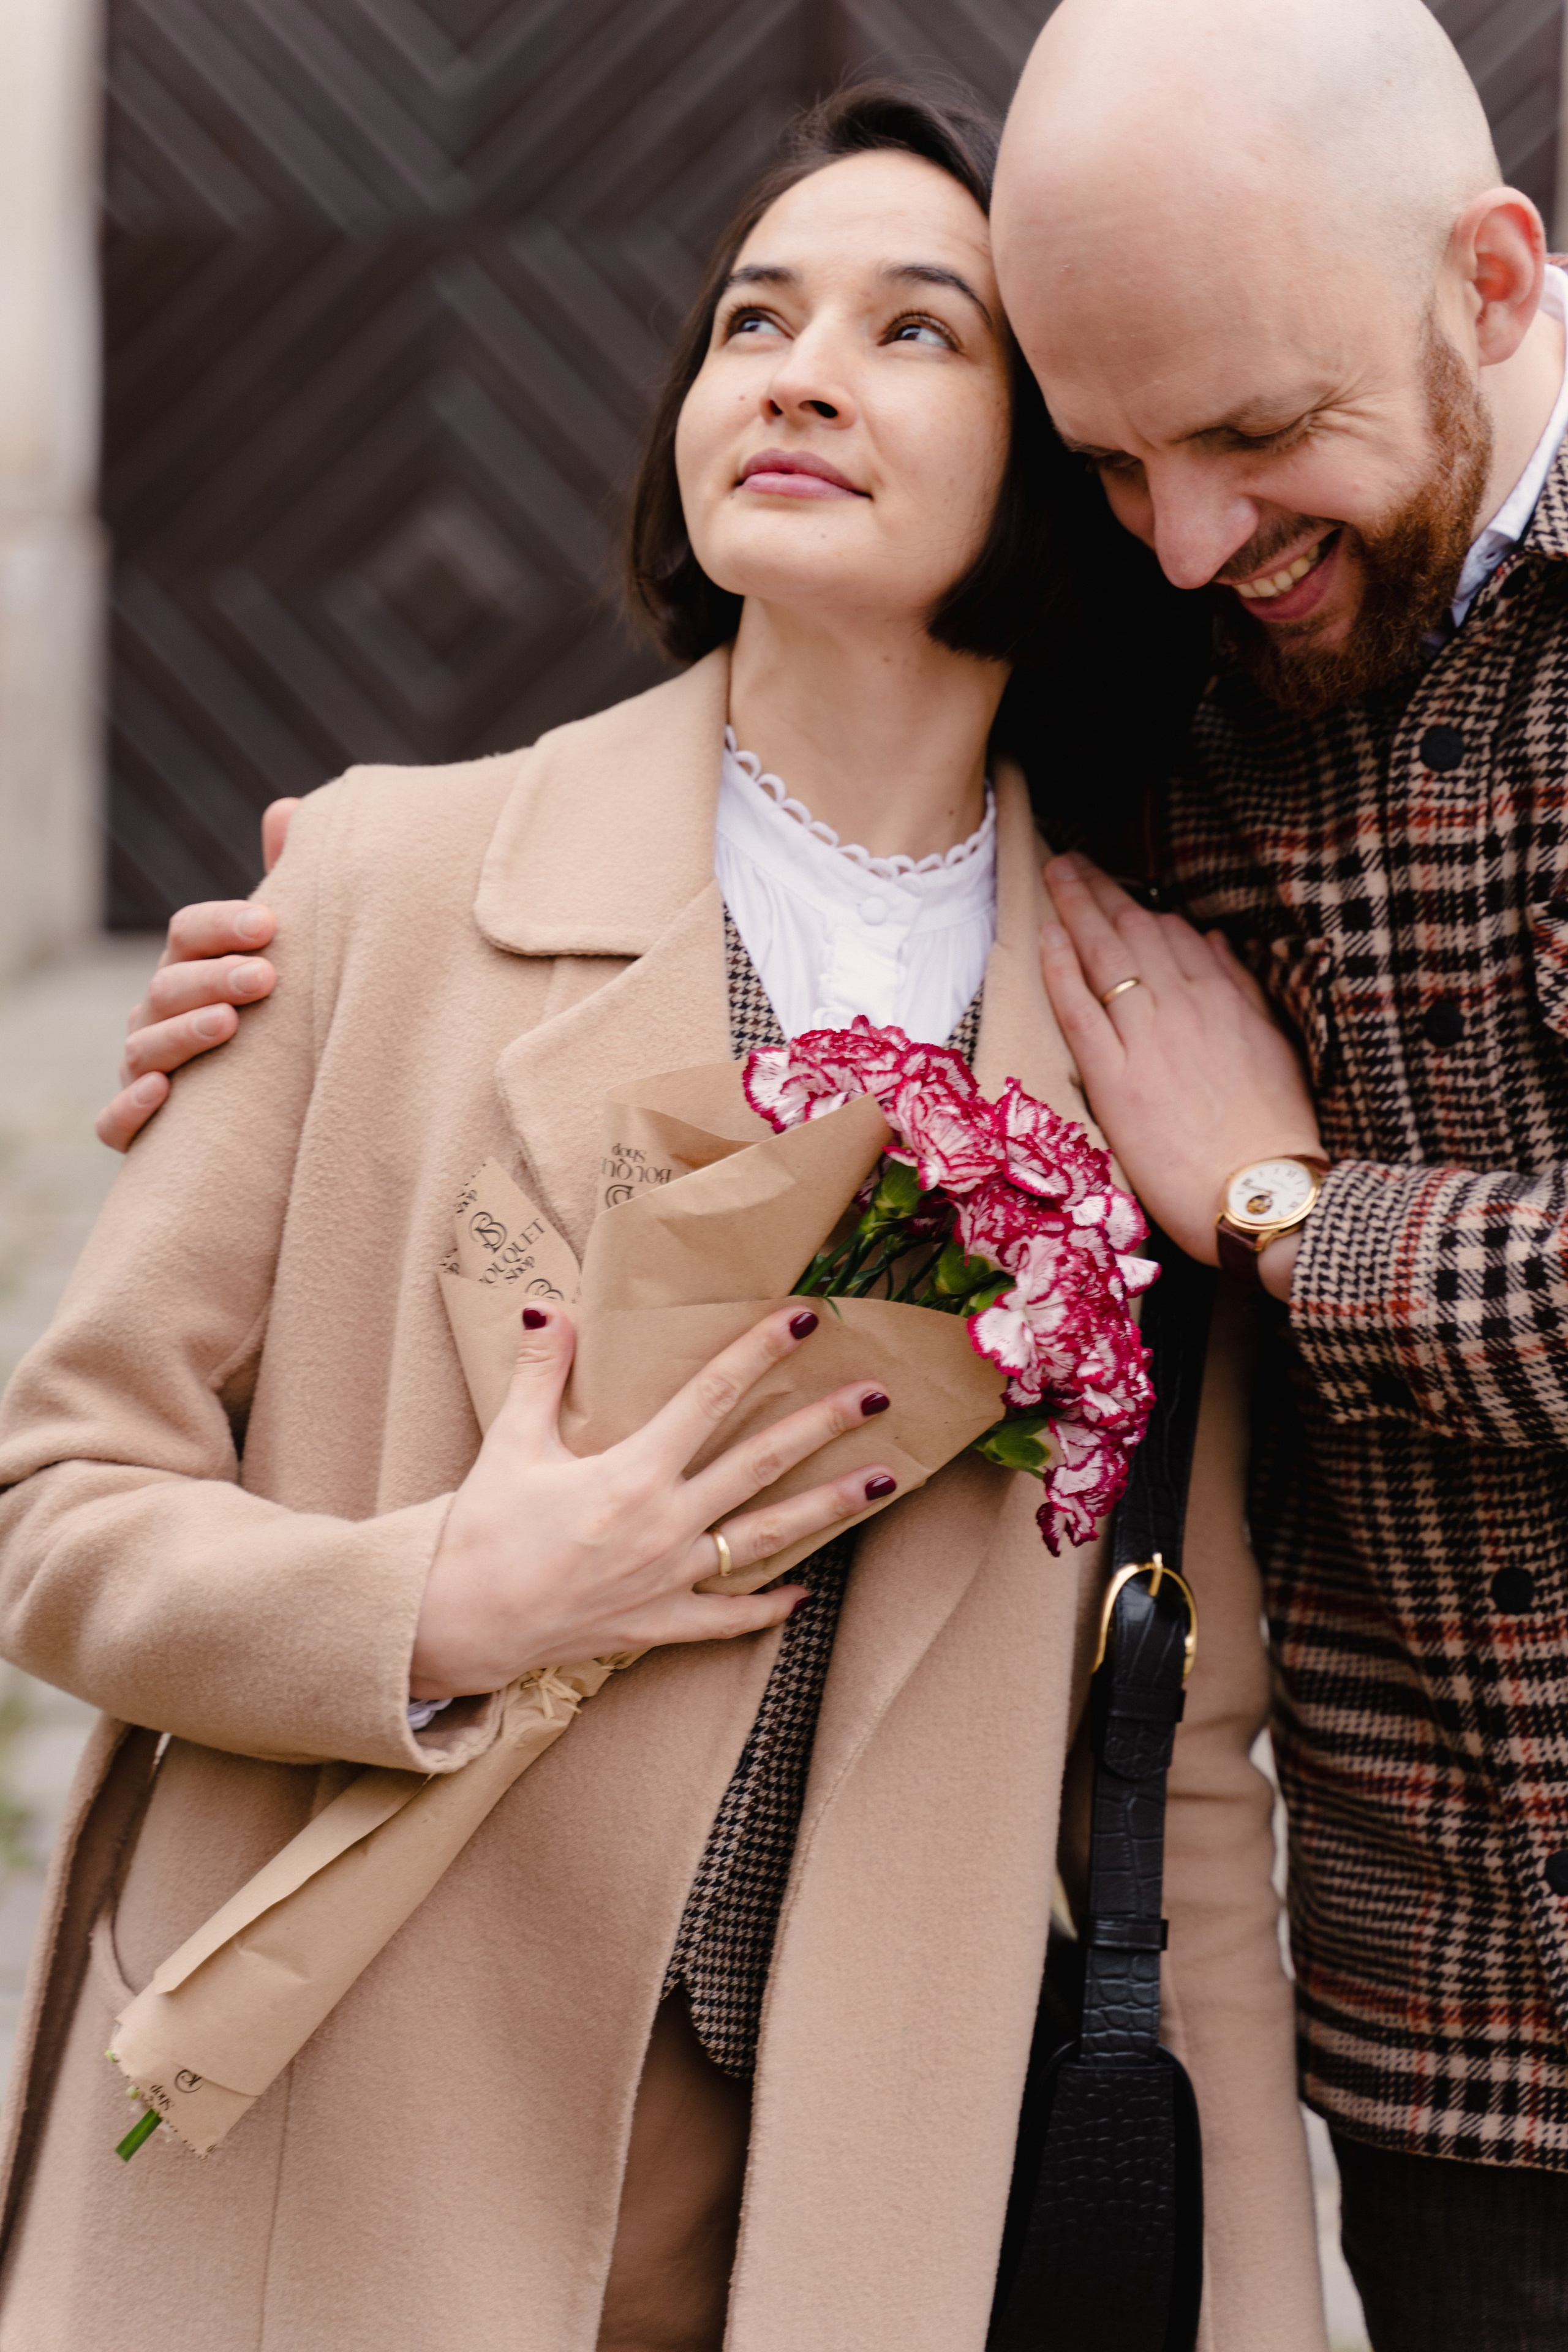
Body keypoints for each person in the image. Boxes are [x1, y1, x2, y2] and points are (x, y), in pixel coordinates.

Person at [0, 86, 1322, 2351]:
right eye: (751, 318)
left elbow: (1176, 1758)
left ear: (1064, 481)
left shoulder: (1134, 1047)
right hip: (339, 2162)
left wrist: (1259, 2313)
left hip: (845, 2218)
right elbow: (56, 1504)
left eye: (918, 333)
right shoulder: (392, 885)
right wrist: (431, 1600)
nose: (796, 369)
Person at [982, 4, 1568, 2348]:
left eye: (1255, 432)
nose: (1196, 541)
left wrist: (1284, 1213)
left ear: (1494, 280)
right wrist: (378, 910)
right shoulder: (1145, 659)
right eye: (1115, 459)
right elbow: (805, 788)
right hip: (1436, 2066)